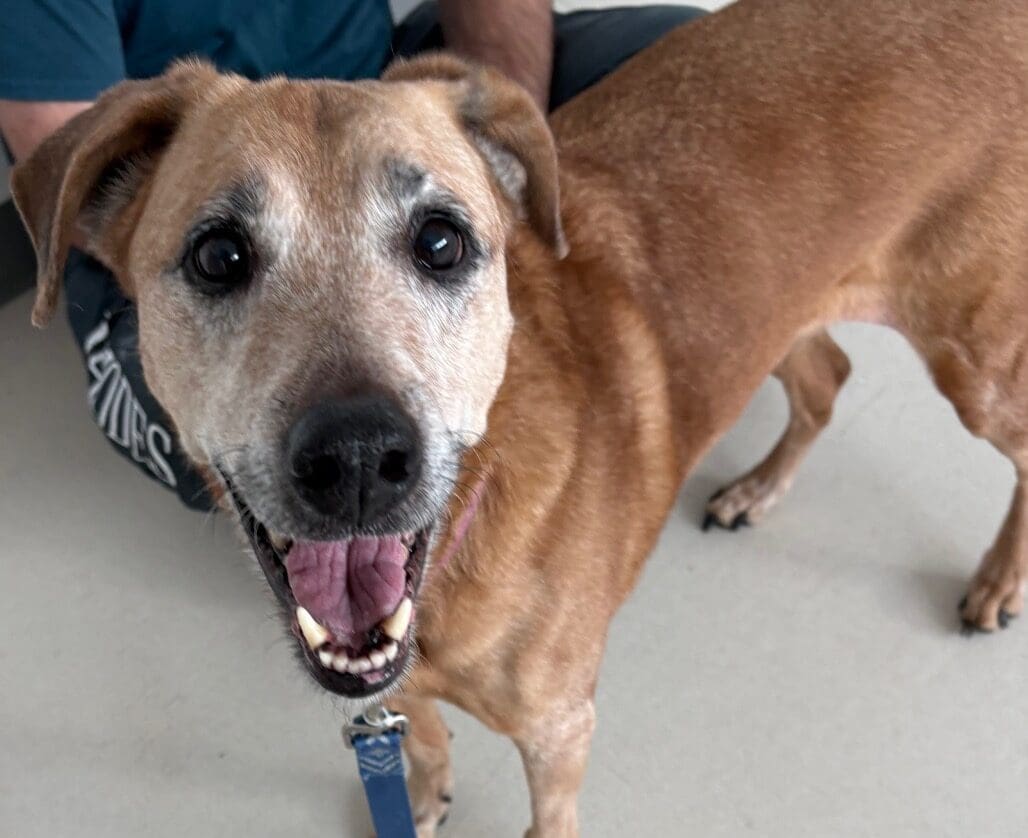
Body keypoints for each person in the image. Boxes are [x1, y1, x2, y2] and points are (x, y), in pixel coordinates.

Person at [0, 0, 704, 510]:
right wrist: (185, 222)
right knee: (208, 457)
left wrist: (473, 170)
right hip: (186, 160)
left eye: (436, 246)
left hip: (380, 93)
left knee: (675, 53)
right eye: (226, 259)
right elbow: (54, 136)